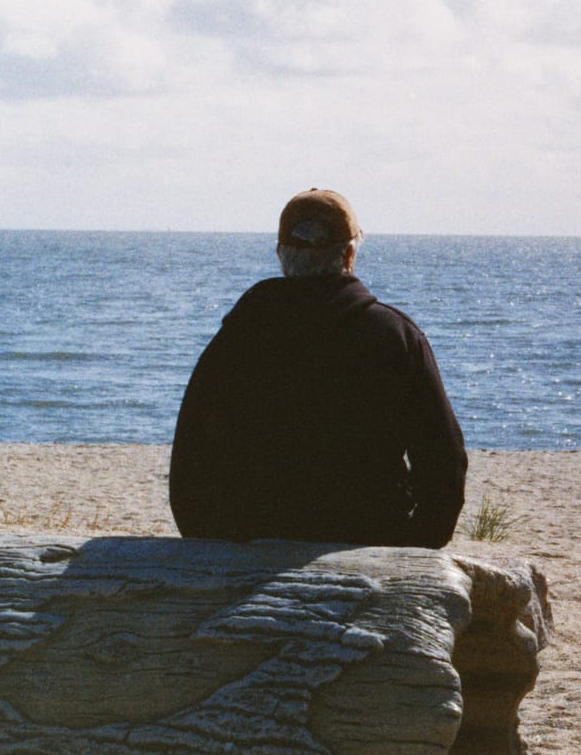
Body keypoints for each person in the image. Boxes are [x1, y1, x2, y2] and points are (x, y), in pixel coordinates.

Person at [170, 189, 468, 548]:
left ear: (281, 255)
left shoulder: (237, 336)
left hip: (251, 541)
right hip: (368, 539)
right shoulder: (394, 337)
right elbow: (444, 463)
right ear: (350, 254)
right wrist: (414, 546)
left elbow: (189, 458)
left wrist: (215, 545)